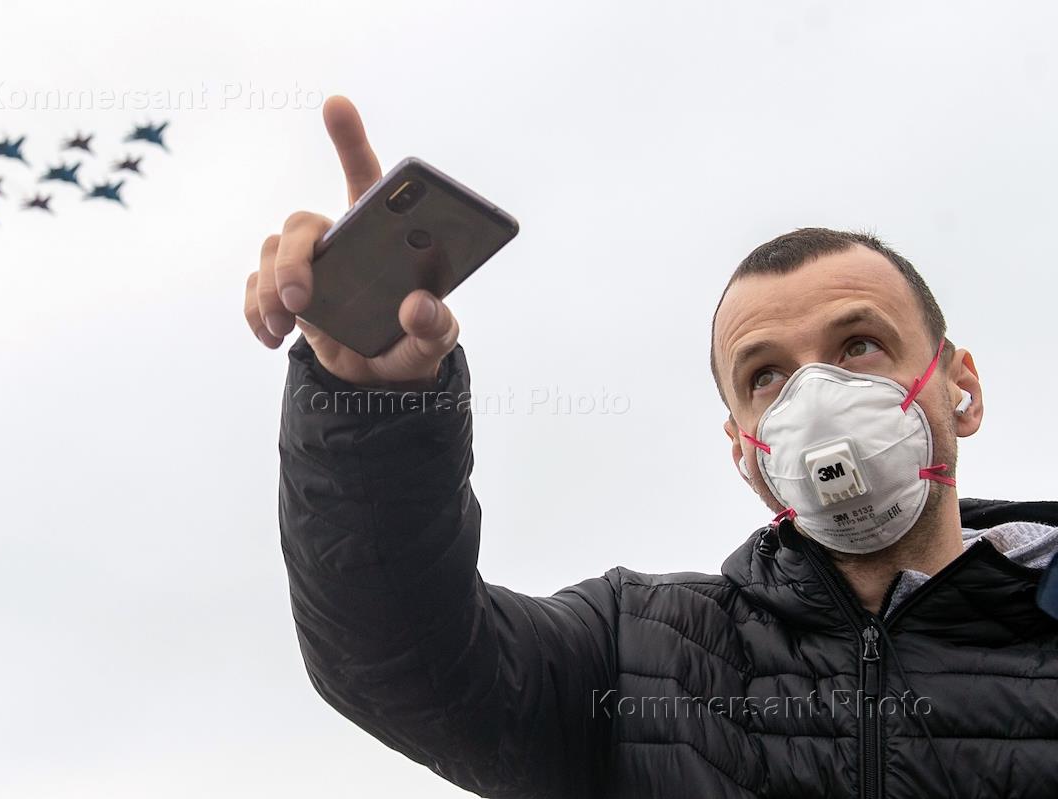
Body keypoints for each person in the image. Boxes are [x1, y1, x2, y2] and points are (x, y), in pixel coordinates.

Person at [243, 96, 1058, 798]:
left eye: (858, 346)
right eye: (767, 374)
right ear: (745, 451)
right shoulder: (635, 657)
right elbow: (403, 663)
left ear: (962, 388)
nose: (817, 397)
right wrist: (368, 405)